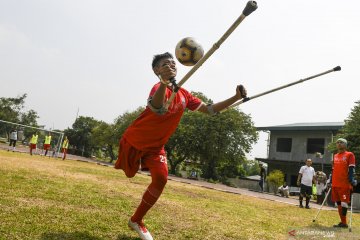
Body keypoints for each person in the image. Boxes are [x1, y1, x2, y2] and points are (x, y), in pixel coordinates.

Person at [114, 52, 248, 240]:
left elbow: (209, 109)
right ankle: (136, 213)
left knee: (161, 179)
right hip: (134, 140)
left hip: (156, 148)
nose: (171, 64)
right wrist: (163, 83)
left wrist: (235, 97)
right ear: (157, 70)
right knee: (129, 173)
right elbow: (156, 107)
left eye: (173, 62)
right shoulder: (157, 87)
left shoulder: (184, 94)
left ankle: (136, 220)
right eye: (165, 63)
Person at [331, 138, 357, 228]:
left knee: (344, 203)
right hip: (335, 183)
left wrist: (351, 179)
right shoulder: (335, 155)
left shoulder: (350, 154)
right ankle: (342, 222)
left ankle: (344, 222)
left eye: (341, 142)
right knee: (338, 203)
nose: (339, 144)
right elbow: (333, 169)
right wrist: (331, 180)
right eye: (337, 142)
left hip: (344, 183)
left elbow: (351, 168)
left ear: (345, 145)